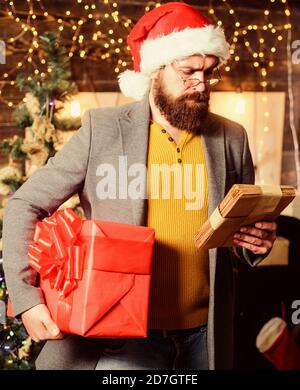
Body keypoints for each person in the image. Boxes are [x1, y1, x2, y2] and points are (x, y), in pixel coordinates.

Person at [2, 2, 276, 370]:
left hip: (204, 337)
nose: (202, 83)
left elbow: (236, 231)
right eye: (188, 71)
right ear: (156, 70)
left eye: (209, 72)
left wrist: (253, 243)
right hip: (123, 342)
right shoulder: (103, 129)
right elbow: (25, 204)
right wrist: (27, 298)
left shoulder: (231, 137)